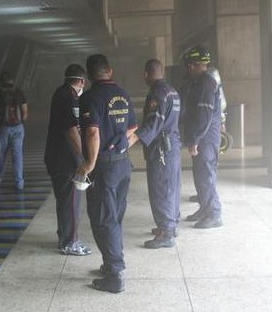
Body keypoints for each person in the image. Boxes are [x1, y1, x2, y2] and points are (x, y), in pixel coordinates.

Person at [75, 54, 137, 293]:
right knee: (115, 215)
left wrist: (89, 164)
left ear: (90, 75)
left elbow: (92, 133)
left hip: (104, 167)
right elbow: (132, 127)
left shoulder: (90, 97)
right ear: (109, 71)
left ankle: (114, 275)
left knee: (103, 217)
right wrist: (122, 144)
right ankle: (111, 262)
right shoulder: (122, 93)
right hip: (123, 164)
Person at [127, 59, 182, 248]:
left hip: (161, 148)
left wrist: (131, 140)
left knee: (161, 188)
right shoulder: (172, 90)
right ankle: (170, 226)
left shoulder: (157, 93)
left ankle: (166, 233)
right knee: (172, 186)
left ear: (145, 74)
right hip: (172, 144)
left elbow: (153, 123)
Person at [44, 64, 92, 256]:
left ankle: (64, 235)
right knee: (71, 201)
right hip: (66, 159)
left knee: (64, 200)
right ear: (81, 81)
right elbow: (72, 129)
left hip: (57, 157)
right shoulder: (69, 98)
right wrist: (82, 157)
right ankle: (70, 242)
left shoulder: (60, 93)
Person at [181, 45, 223, 229]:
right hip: (202, 136)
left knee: (206, 174)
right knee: (199, 174)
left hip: (206, 137)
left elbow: (204, 115)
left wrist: (196, 139)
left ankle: (214, 213)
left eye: (191, 65)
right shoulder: (198, 82)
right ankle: (205, 208)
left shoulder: (206, 83)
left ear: (198, 65)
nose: (189, 69)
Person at [0, 71, 28, 191]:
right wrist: (20, 124)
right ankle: (19, 183)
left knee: (1, 156)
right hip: (18, 128)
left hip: (2, 128)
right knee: (17, 156)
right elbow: (25, 113)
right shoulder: (19, 92)